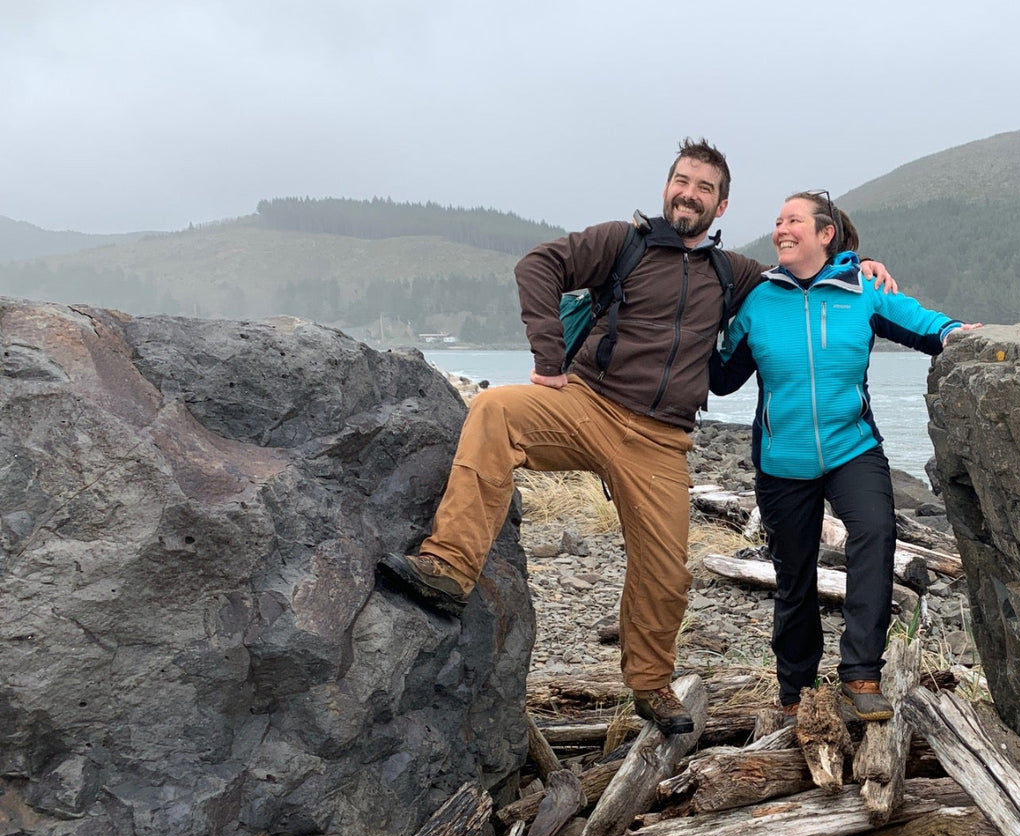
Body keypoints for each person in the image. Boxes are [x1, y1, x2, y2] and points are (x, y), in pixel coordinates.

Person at [377, 141, 896, 735]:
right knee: (494, 410)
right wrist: (549, 357)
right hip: (587, 403)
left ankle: (649, 685)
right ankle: (448, 566)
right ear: (667, 186)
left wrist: (858, 263)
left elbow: (808, 274)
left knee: (666, 571)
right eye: (682, 180)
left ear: (721, 207)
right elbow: (537, 266)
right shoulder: (621, 242)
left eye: (704, 188)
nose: (689, 193)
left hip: (660, 439)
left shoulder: (737, 275)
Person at [711, 192, 977, 722]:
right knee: (793, 576)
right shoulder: (760, 300)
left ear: (825, 233)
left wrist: (958, 334)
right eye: (778, 221)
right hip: (782, 457)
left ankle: (861, 675)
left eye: (793, 221)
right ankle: (795, 692)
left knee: (875, 537)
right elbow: (721, 378)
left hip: (851, 447)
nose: (781, 229)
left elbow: (924, 325)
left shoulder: (862, 289)